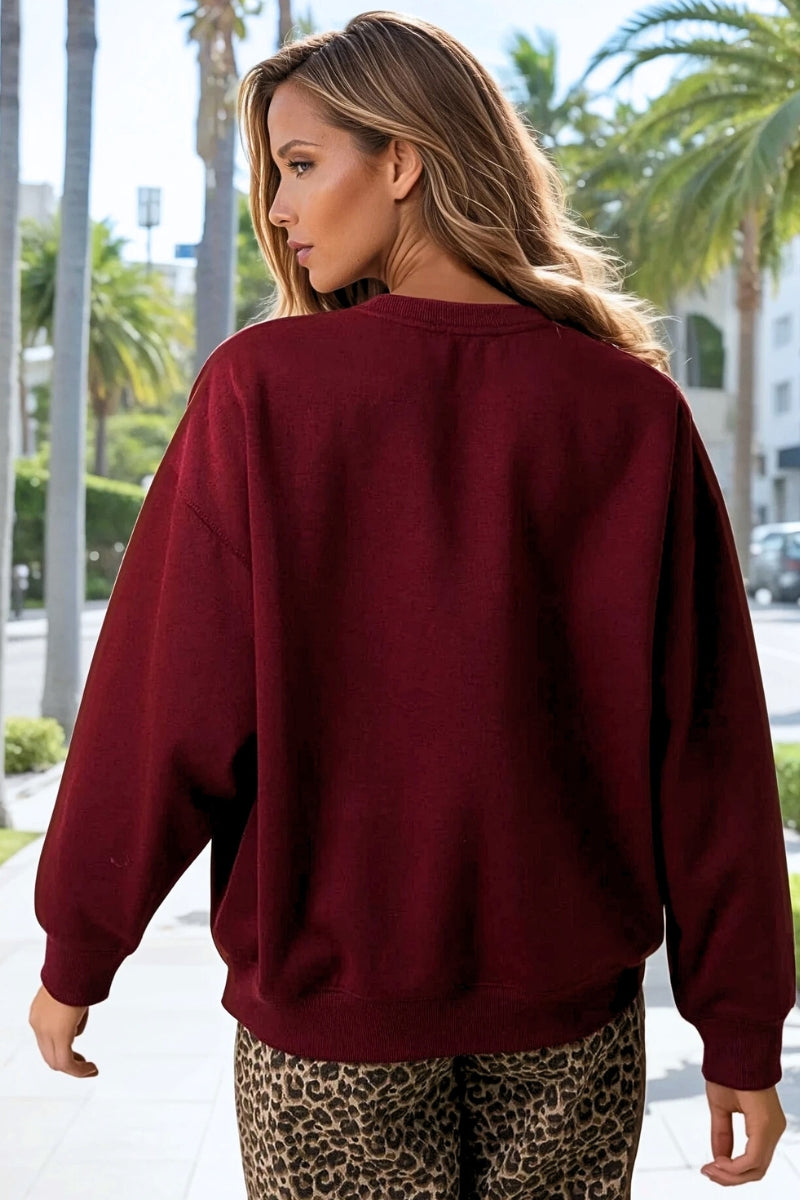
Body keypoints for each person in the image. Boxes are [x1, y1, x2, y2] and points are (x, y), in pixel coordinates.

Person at [28, 10, 795, 1198]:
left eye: (298, 165)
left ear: (401, 161)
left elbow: (159, 708)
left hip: (330, 1030)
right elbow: (703, 749)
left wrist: (81, 946)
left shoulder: (261, 395)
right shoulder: (629, 413)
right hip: (569, 1032)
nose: (275, 212)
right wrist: (738, 1027)